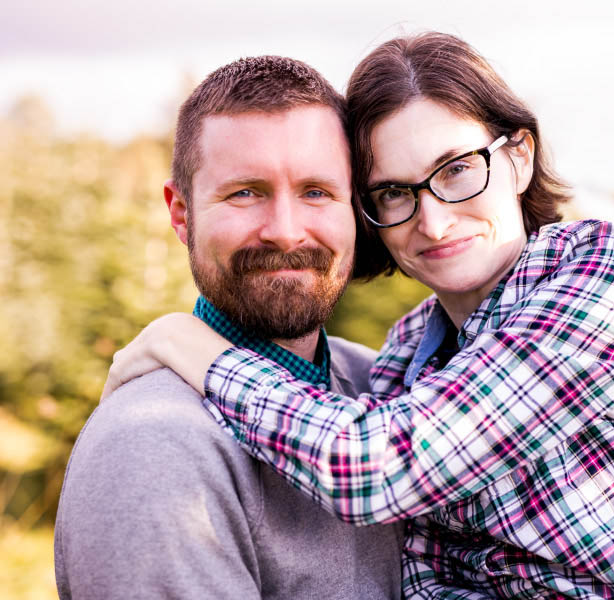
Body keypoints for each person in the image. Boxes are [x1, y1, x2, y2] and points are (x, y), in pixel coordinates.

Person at [103, 33, 614, 599]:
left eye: (457, 170)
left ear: (519, 157)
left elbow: (378, 468)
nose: (432, 220)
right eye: (394, 192)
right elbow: (428, 584)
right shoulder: (404, 362)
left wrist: (190, 346)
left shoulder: (602, 273)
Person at [54, 55, 403, 600]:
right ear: (181, 213)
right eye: (245, 192)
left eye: (316, 191)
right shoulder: (153, 445)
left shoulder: (385, 388)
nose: (286, 232)